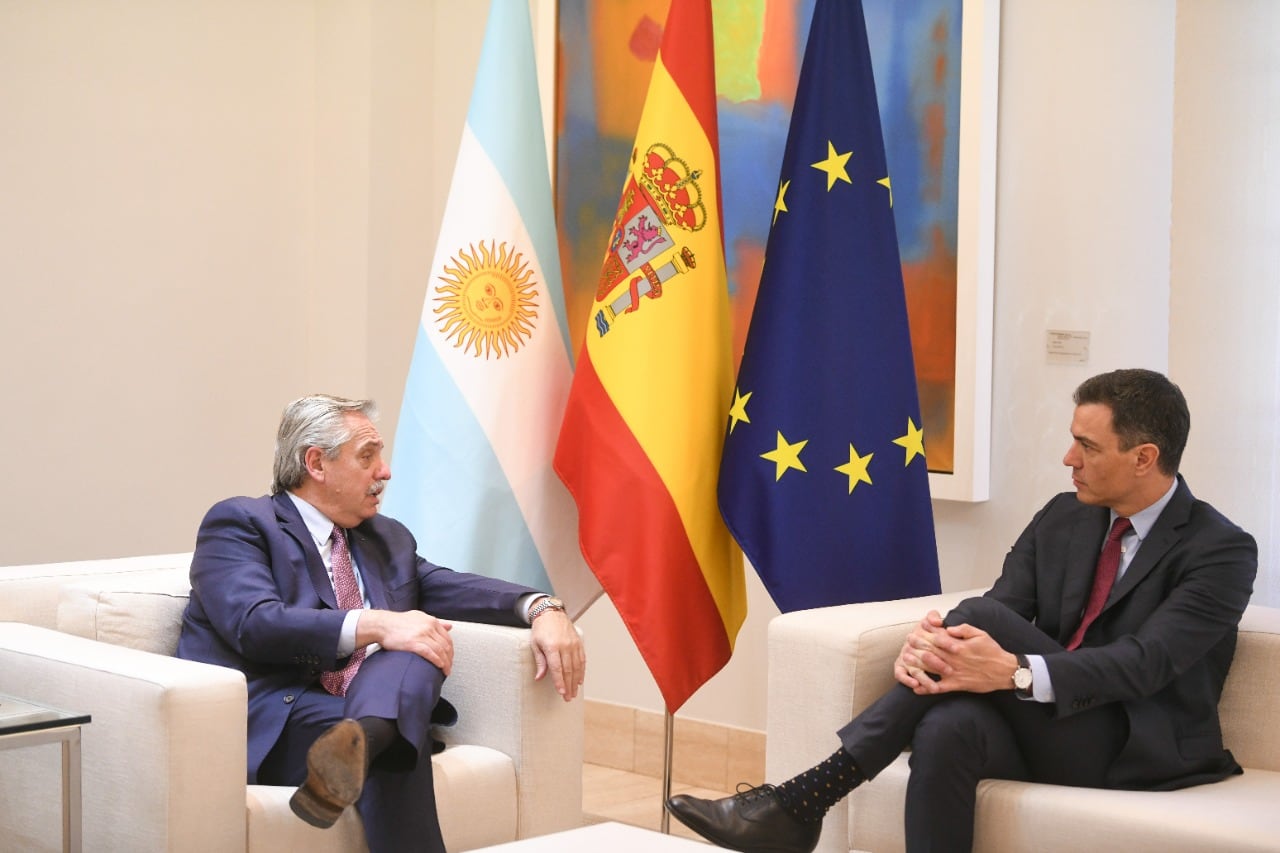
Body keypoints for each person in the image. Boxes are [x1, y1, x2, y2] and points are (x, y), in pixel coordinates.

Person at [667, 368, 1256, 853]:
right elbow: (1005, 606)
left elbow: (1145, 663)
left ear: (1143, 457)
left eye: (1088, 446)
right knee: (949, 727)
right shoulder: (1064, 515)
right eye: (1073, 439)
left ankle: (805, 799)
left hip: (1133, 744)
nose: (1067, 458)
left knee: (978, 616)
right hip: (1049, 726)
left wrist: (1015, 673)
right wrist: (935, 649)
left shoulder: (1221, 550)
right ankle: (800, 807)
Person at [176, 395, 585, 853]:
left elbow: (454, 587)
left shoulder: (384, 538)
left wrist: (542, 606)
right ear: (316, 463)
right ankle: (374, 736)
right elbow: (254, 624)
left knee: (418, 637)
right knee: (402, 710)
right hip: (281, 713)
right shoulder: (242, 523)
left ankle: (363, 739)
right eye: (367, 456)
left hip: (350, 712)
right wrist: (375, 624)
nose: (384, 471)